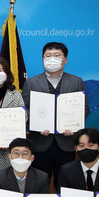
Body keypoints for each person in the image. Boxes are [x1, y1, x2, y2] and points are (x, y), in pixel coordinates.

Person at [22, 42, 89, 189]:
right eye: (48, 56)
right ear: (42, 59)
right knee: (38, 185)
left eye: (57, 55)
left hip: (66, 143)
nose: (52, 59)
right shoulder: (31, 83)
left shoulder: (76, 81)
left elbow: (84, 108)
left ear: (65, 60)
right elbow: (24, 110)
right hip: (40, 144)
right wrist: (36, 124)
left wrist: (74, 126)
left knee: (65, 186)